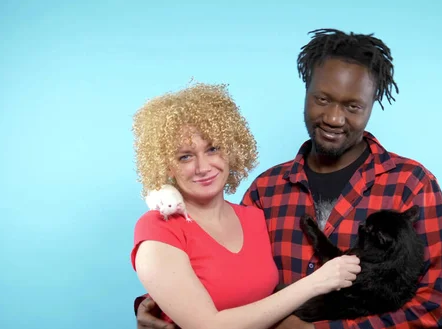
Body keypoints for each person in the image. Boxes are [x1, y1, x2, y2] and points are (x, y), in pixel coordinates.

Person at [135, 28, 442, 329]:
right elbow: (228, 278)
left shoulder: (411, 184)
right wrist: (163, 302)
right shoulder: (265, 192)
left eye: (353, 106)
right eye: (323, 99)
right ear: (306, 92)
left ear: (372, 106)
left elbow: (435, 307)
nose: (333, 117)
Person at [130, 82, 362, 329]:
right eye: (185, 156)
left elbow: (252, 292)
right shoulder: (158, 228)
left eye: (213, 149)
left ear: (231, 149)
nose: (203, 167)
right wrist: (316, 283)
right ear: (166, 165)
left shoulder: (254, 216)